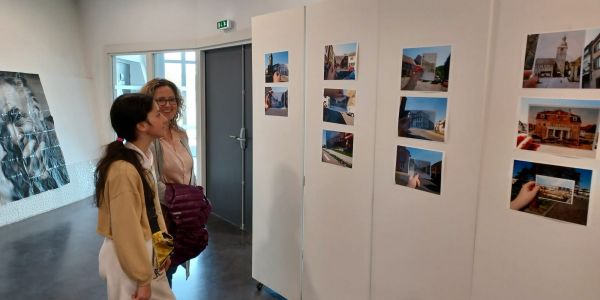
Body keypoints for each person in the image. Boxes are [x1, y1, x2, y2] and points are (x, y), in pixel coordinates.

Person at [95, 93, 174, 300]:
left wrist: (163, 248)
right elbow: (126, 230)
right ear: (142, 126)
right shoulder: (123, 170)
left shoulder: (143, 159)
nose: (165, 118)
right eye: (157, 114)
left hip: (144, 252)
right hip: (127, 260)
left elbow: (153, 210)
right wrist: (142, 279)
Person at [141, 78, 195, 286]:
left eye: (172, 99)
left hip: (181, 216)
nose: (167, 105)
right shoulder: (148, 138)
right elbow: (151, 182)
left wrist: (193, 201)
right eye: (160, 100)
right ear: (149, 103)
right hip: (161, 216)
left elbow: (189, 172)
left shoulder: (181, 134)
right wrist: (182, 201)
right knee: (162, 268)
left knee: (174, 261)